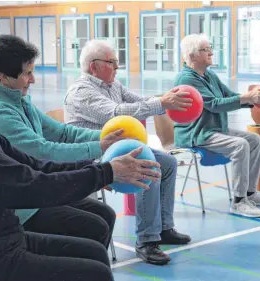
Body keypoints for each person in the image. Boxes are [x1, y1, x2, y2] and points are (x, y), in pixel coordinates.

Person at [0, 35, 161, 281]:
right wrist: (104, 173)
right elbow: (28, 184)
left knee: (94, 253)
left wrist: (99, 170)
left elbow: (33, 163)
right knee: (93, 272)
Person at [0, 35, 122, 249]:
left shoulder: (21, 102)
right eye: (28, 73)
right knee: (94, 226)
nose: (33, 79)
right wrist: (99, 149)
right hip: (22, 205)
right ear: (3, 77)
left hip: (39, 191)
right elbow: (43, 151)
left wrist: (106, 137)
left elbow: (62, 133)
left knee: (105, 213)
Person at [64, 39, 192, 265]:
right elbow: (115, 113)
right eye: (112, 62)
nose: (117, 67)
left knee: (168, 163)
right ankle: (146, 241)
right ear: (94, 66)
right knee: (148, 165)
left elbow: (140, 101)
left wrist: (165, 99)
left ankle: (163, 228)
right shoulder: (81, 91)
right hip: (94, 153)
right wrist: (161, 102)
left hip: (119, 149)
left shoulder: (113, 85)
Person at [173, 34, 260, 218]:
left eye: (210, 47)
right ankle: (239, 202)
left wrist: (256, 100)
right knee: (240, 145)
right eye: (206, 49)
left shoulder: (209, 74)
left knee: (254, 140)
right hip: (197, 133)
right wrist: (247, 98)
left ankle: (250, 193)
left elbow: (229, 95)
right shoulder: (187, 79)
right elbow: (215, 104)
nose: (211, 51)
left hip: (214, 129)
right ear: (193, 55)